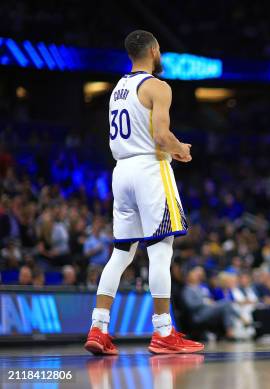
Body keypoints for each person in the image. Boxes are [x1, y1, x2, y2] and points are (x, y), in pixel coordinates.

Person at [85, 30, 202, 355]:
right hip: (150, 169)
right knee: (161, 250)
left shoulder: (118, 89)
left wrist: (171, 145)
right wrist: (181, 150)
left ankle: (98, 327)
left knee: (122, 253)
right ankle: (164, 331)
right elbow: (162, 136)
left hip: (121, 171)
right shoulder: (158, 86)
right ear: (153, 50)